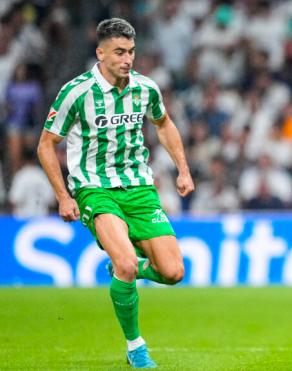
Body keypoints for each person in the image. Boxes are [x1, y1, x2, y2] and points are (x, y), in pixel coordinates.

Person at [37, 18, 194, 368]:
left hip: (140, 189)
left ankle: (128, 266)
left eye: (132, 52)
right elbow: (47, 145)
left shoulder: (145, 88)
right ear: (100, 53)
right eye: (120, 52)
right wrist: (64, 195)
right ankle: (136, 347)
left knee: (173, 272)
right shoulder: (76, 93)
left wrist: (183, 168)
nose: (127, 59)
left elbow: (164, 124)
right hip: (96, 189)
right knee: (125, 264)